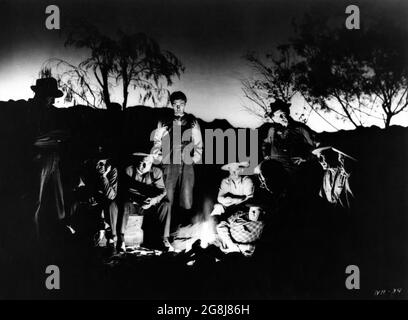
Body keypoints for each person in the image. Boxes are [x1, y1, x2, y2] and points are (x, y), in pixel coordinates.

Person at [151, 91, 203, 239]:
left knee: (186, 197)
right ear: (171, 104)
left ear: (185, 104)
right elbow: (157, 142)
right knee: (168, 197)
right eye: (175, 104)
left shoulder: (192, 121)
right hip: (169, 162)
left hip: (186, 162)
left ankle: (184, 233)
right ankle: (165, 235)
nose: (178, 107)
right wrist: (159, 157)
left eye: (181, 104)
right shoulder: (164, 121)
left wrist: (195, 158)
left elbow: (198, 143)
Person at [119, 152, 169, 251]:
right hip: (134, 204)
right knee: (124, 204)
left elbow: (162, 191)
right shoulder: (128, 171)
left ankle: (164, 239)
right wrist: (138, 200)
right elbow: (123, 191)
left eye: (148, 163)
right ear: (137, 162)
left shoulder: (156, 172)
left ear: (152, 163)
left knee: (165, 204)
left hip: (149, 204)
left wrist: (153, 201)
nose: (144, 166)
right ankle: (121, 240)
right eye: (142, 163)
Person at [261, 99, 318, 175]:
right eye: (279, 115)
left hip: (297, 171)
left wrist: (306, 158)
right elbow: (266, 143)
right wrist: (266, 155)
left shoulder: (300, 128)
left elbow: (315, 146)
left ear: (288, 112)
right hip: (277, 172)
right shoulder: (272, 130)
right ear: (274, 117)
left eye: (284, 114)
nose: (283, 117)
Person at [79, 148, 119, 249]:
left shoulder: (112, 171)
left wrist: (104, 177)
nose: (100, 166)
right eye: (97, 163)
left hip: (107, 201)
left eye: (102, 163)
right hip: (94, 200)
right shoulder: (88, 170)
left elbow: (111, 195)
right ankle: (94, 238)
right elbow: (84, 187)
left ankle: (111, 239)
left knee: (110, 205)